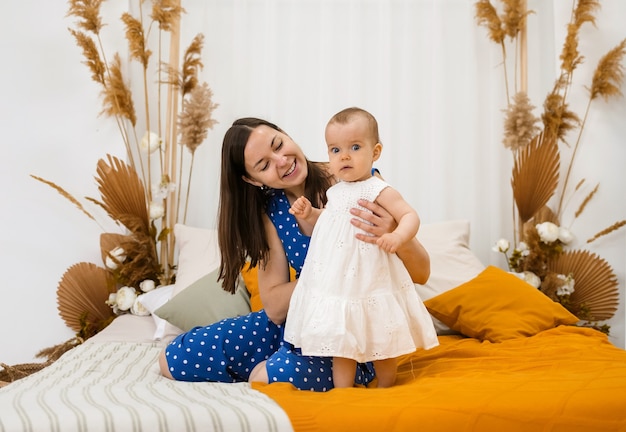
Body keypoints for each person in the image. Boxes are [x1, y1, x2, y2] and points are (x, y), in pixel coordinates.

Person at [158, 115, 431, 391]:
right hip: (295, 320)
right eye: (263, 165)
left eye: (278, 145)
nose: (281, 161)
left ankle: (294, 365)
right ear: (251, 180)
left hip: (351, 329)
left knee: (267, 376)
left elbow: (421, 273)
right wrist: (332, 276)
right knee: (173, 360)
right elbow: (275, 308)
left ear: (286, 134)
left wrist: (394, 232)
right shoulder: (272, 211)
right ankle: (278, 356)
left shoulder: (356, 177)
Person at [283, 107, 439, 388]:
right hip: (341, 281)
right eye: (335, 149)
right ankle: (343, 391)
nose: (344, 156)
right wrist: (310, 215)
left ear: (375, 152)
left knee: (381, 332)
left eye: (355, 147)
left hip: (370, 277)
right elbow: (331, 219)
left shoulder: (378, 189)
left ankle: (385, 382)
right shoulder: (335, 191)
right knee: (342, 340)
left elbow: (409, 215)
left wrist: (398, 236)